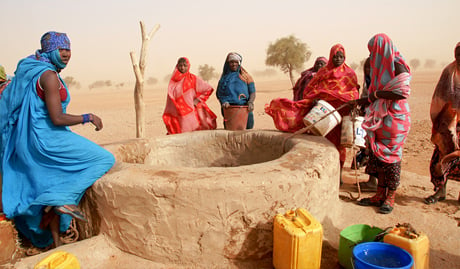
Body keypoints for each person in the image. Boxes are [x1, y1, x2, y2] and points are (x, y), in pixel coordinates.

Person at [0, 31, 115, 250]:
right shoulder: (49, 76)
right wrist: (88, 117)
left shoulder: (33, 70)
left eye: (68, 49)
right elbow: (57, 117)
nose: (66, 54)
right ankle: (64, 198)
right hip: (47, 139)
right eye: (61, 49)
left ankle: (54, 239)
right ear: (49, 50)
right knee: (104, 159)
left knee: (51, 184)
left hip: (33, 140)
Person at [265, 44, 359, 178]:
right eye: (335, 56)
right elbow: (309, 89)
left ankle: (339, 175)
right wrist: (315, 99)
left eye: (341, 57)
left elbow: (354, 92)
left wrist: (351, 103)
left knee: (340, 145)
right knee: (322, 142)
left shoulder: (350, 74)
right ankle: (325, 173)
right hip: (324, 113)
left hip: (341, 114)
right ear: (331, 56)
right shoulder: (323, 72)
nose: (338, 59)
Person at [356, 33, 411, 214]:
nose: (372, 55)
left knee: (392, 158)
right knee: (378, 157)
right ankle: (379, 194)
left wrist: (376, 96)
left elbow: (403, 91)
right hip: (379, 118)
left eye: (374, 51)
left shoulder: (397, 64)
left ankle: (390, 197)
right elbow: (372, 94)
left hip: (395, 119)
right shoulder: (378, 65)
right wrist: (359, 102)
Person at [425, 42, 460, 204]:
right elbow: (439, 97)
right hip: (448, 123)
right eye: (457, 54)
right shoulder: (448, 73)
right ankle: (441, 191)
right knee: (441, 157)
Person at [162, 57, 217, 134]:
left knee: (193, 131)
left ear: (188, 66)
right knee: (180, 131)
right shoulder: (174, 81)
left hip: (192, 109)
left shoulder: (193, 78)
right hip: (178, 110)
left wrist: (198, 100)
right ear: (177, 66)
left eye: (185, 65)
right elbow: (171, 96)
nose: (182, 68)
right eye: (180, 65)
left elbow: (208, 89)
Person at [216, 52, 256, 129]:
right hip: (229, 108)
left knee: (247, 130)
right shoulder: (224, 78)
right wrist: (224, 102)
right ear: (228, 63)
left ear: (239, 63)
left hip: (245, 108)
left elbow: (252, 92)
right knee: (231, 132)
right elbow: (219, 94)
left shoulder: (246, 76)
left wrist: (250, 102)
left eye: (235, 62)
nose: (234, 64)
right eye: (231, 62)